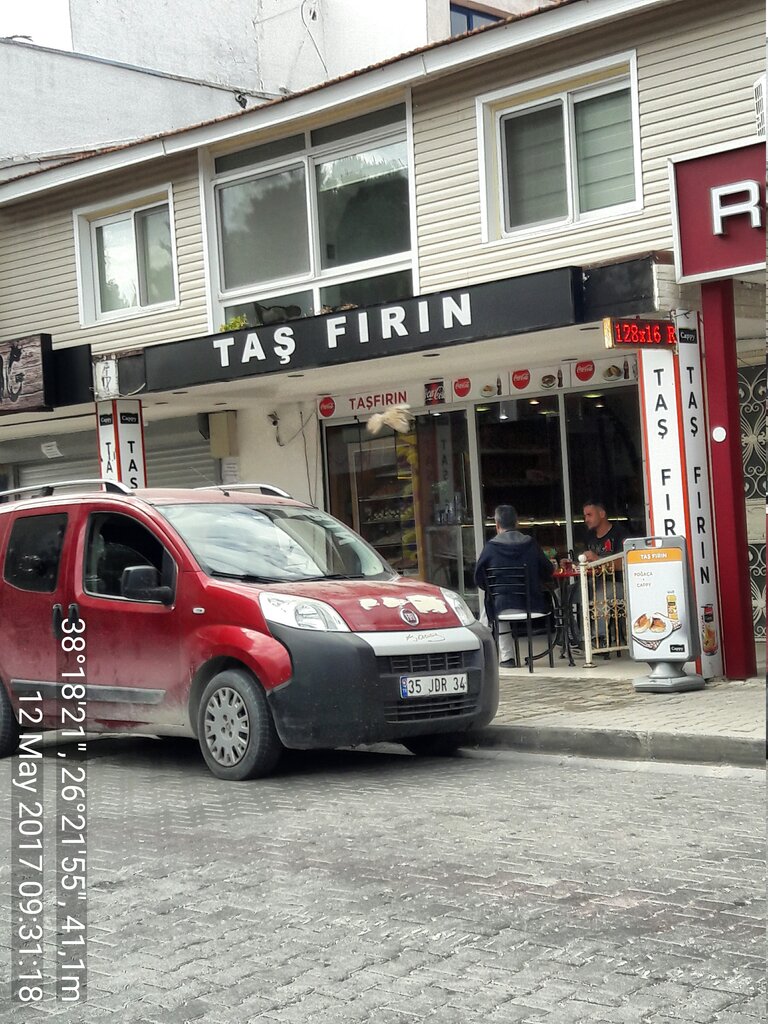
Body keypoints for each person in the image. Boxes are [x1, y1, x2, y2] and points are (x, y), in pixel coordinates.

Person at [474, 505, 554, 668]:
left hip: (502, 607)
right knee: (497, 602)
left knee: (495, 603)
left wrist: (494, 590)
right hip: (532, 604)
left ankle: (505, 657)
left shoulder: (490, 548)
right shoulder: (531, 544)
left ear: (497, 525)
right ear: (516, 523)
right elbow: (548, 571)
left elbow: (479, 578)